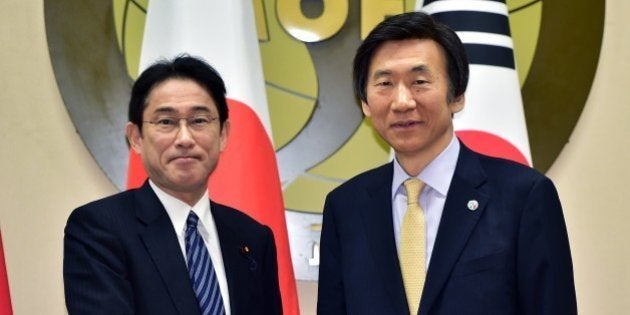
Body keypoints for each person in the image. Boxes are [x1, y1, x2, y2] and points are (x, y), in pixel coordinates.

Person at [317, 11, 577, 315]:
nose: (402, 102)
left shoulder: (523, 197)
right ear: (365, 102)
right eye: (384, 83)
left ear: (457, 96)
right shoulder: (345, 207)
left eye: (420, 81)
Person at [64, 56, 282, 315]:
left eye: (199, 120)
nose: (185, 138)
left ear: (223, 134)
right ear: (136, 138)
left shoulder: (253, 238)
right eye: (166, 122)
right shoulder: (99, 229)